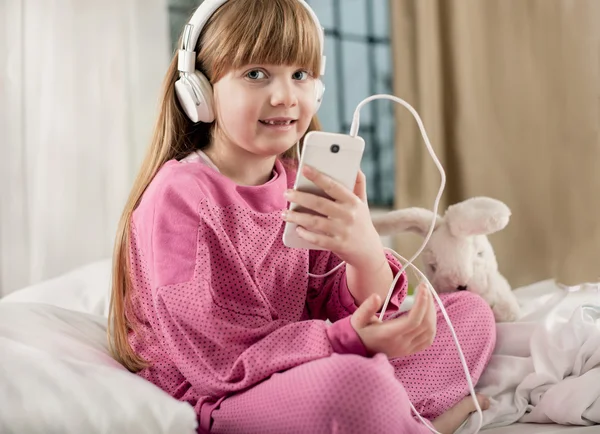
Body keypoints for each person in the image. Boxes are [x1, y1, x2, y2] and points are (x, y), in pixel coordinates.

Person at [108, 0, 496, 432]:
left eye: (300, 75)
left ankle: (388, 414)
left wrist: (364, 252)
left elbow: (348, 307)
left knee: (471, 315)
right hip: (225, 394)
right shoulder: (177, 198)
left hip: (308, 363)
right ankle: (407, 419)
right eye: (256, 74)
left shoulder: (300, 182)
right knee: (359, 384)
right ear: (198, 90)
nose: (284, 96)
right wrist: (349, 343)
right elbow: (216, 358)